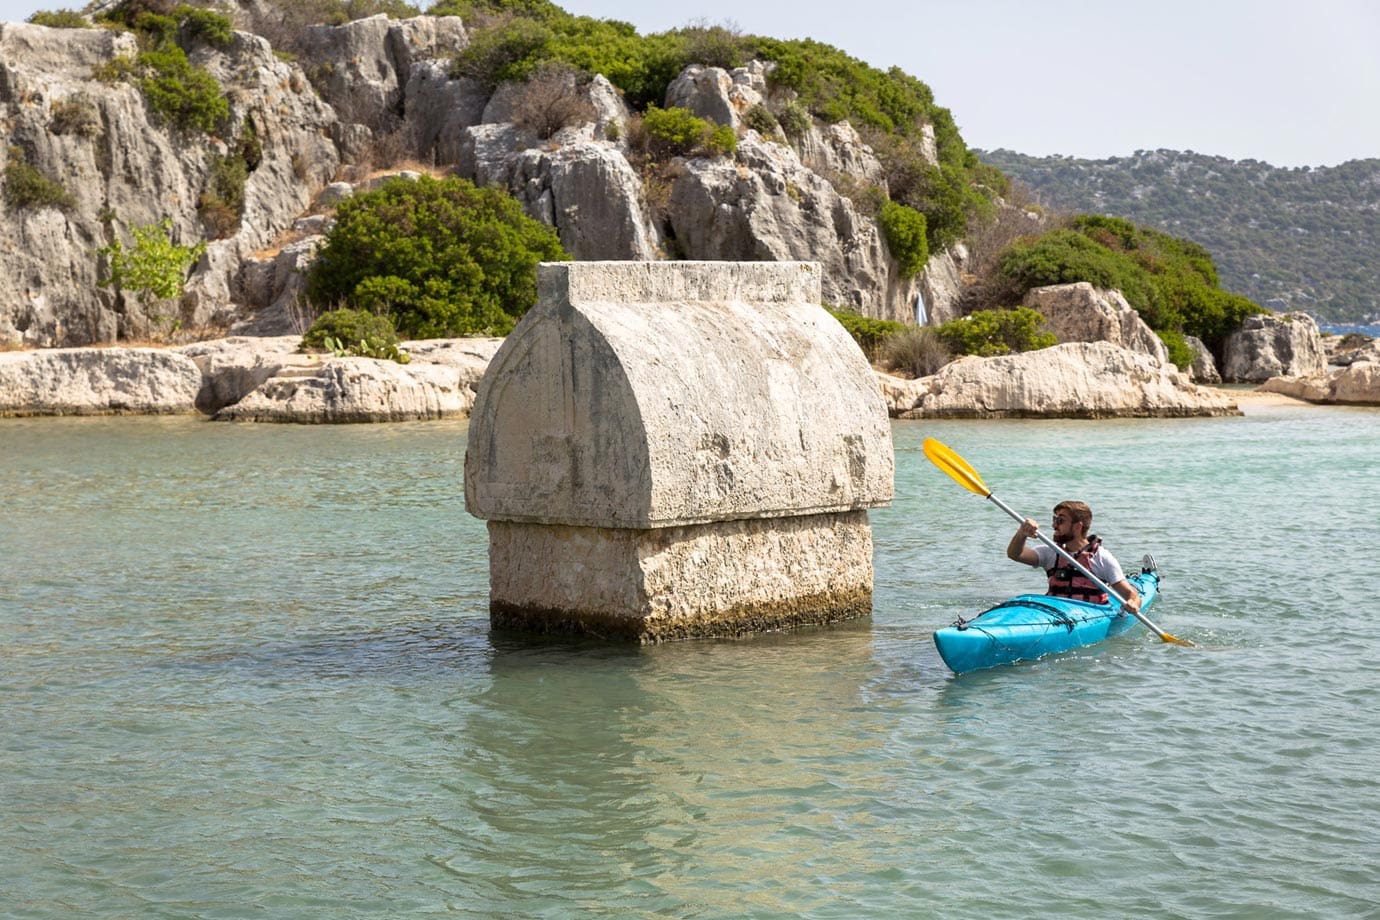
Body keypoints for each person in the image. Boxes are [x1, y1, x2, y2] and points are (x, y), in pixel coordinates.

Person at [1006, 500, 1141, 613]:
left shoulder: (1102, 558)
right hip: (1054, 613)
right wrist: (1022, 533)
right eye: (1054, 519)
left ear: (1078, 526)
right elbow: (1015, 554)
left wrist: (1133, 603)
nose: (1054, 525)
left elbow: (1131, 595)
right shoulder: (1050, 552)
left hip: (1089, 615)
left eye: (1060, 521)